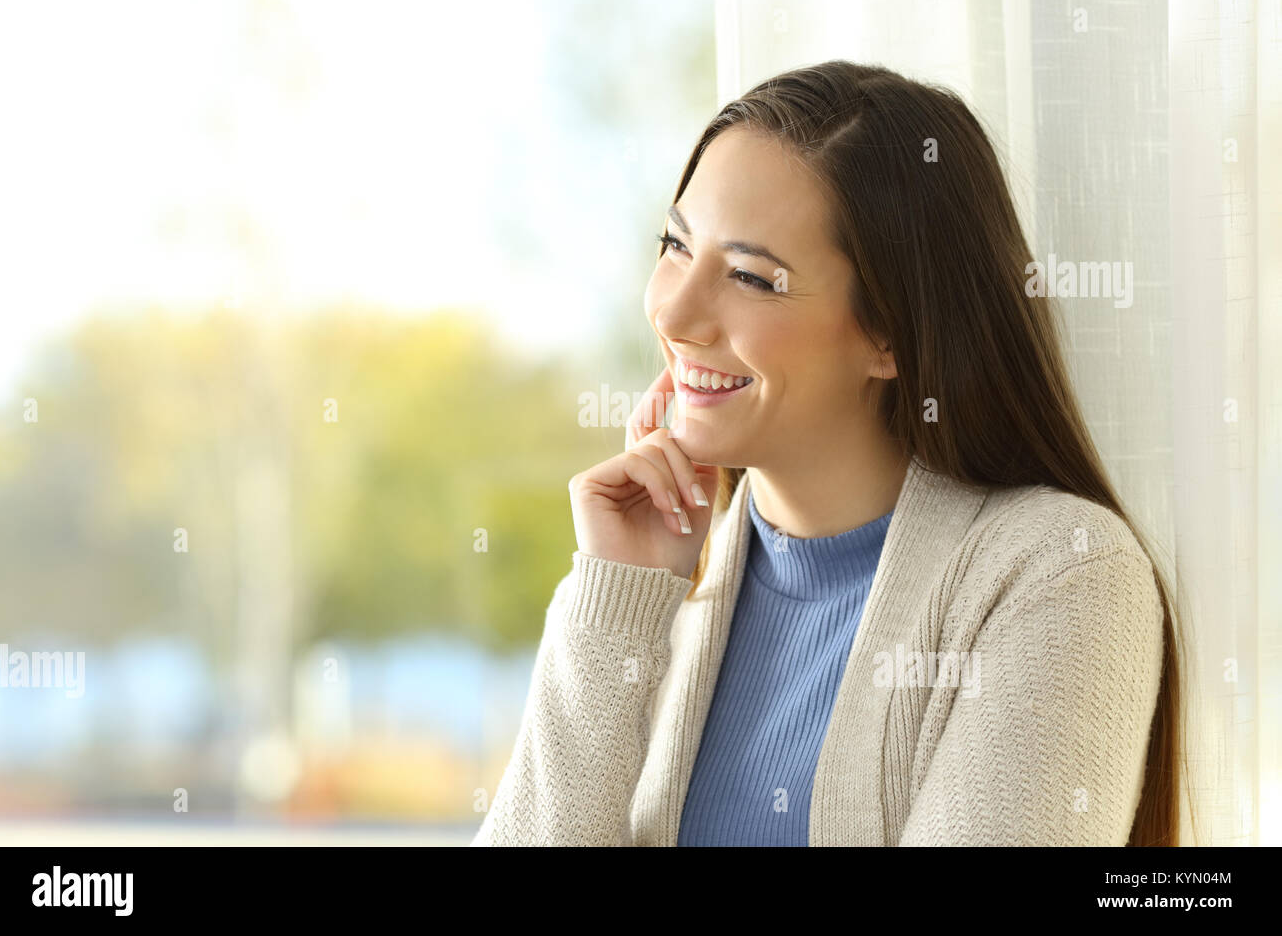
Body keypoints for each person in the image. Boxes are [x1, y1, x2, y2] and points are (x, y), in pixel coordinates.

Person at [472, 60, 1188, 846]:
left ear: (889, 333)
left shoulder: (1061, 572)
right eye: (674, 245)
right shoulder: (663, 589)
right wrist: (616, 601)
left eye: (751, 277)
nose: (674, 312)